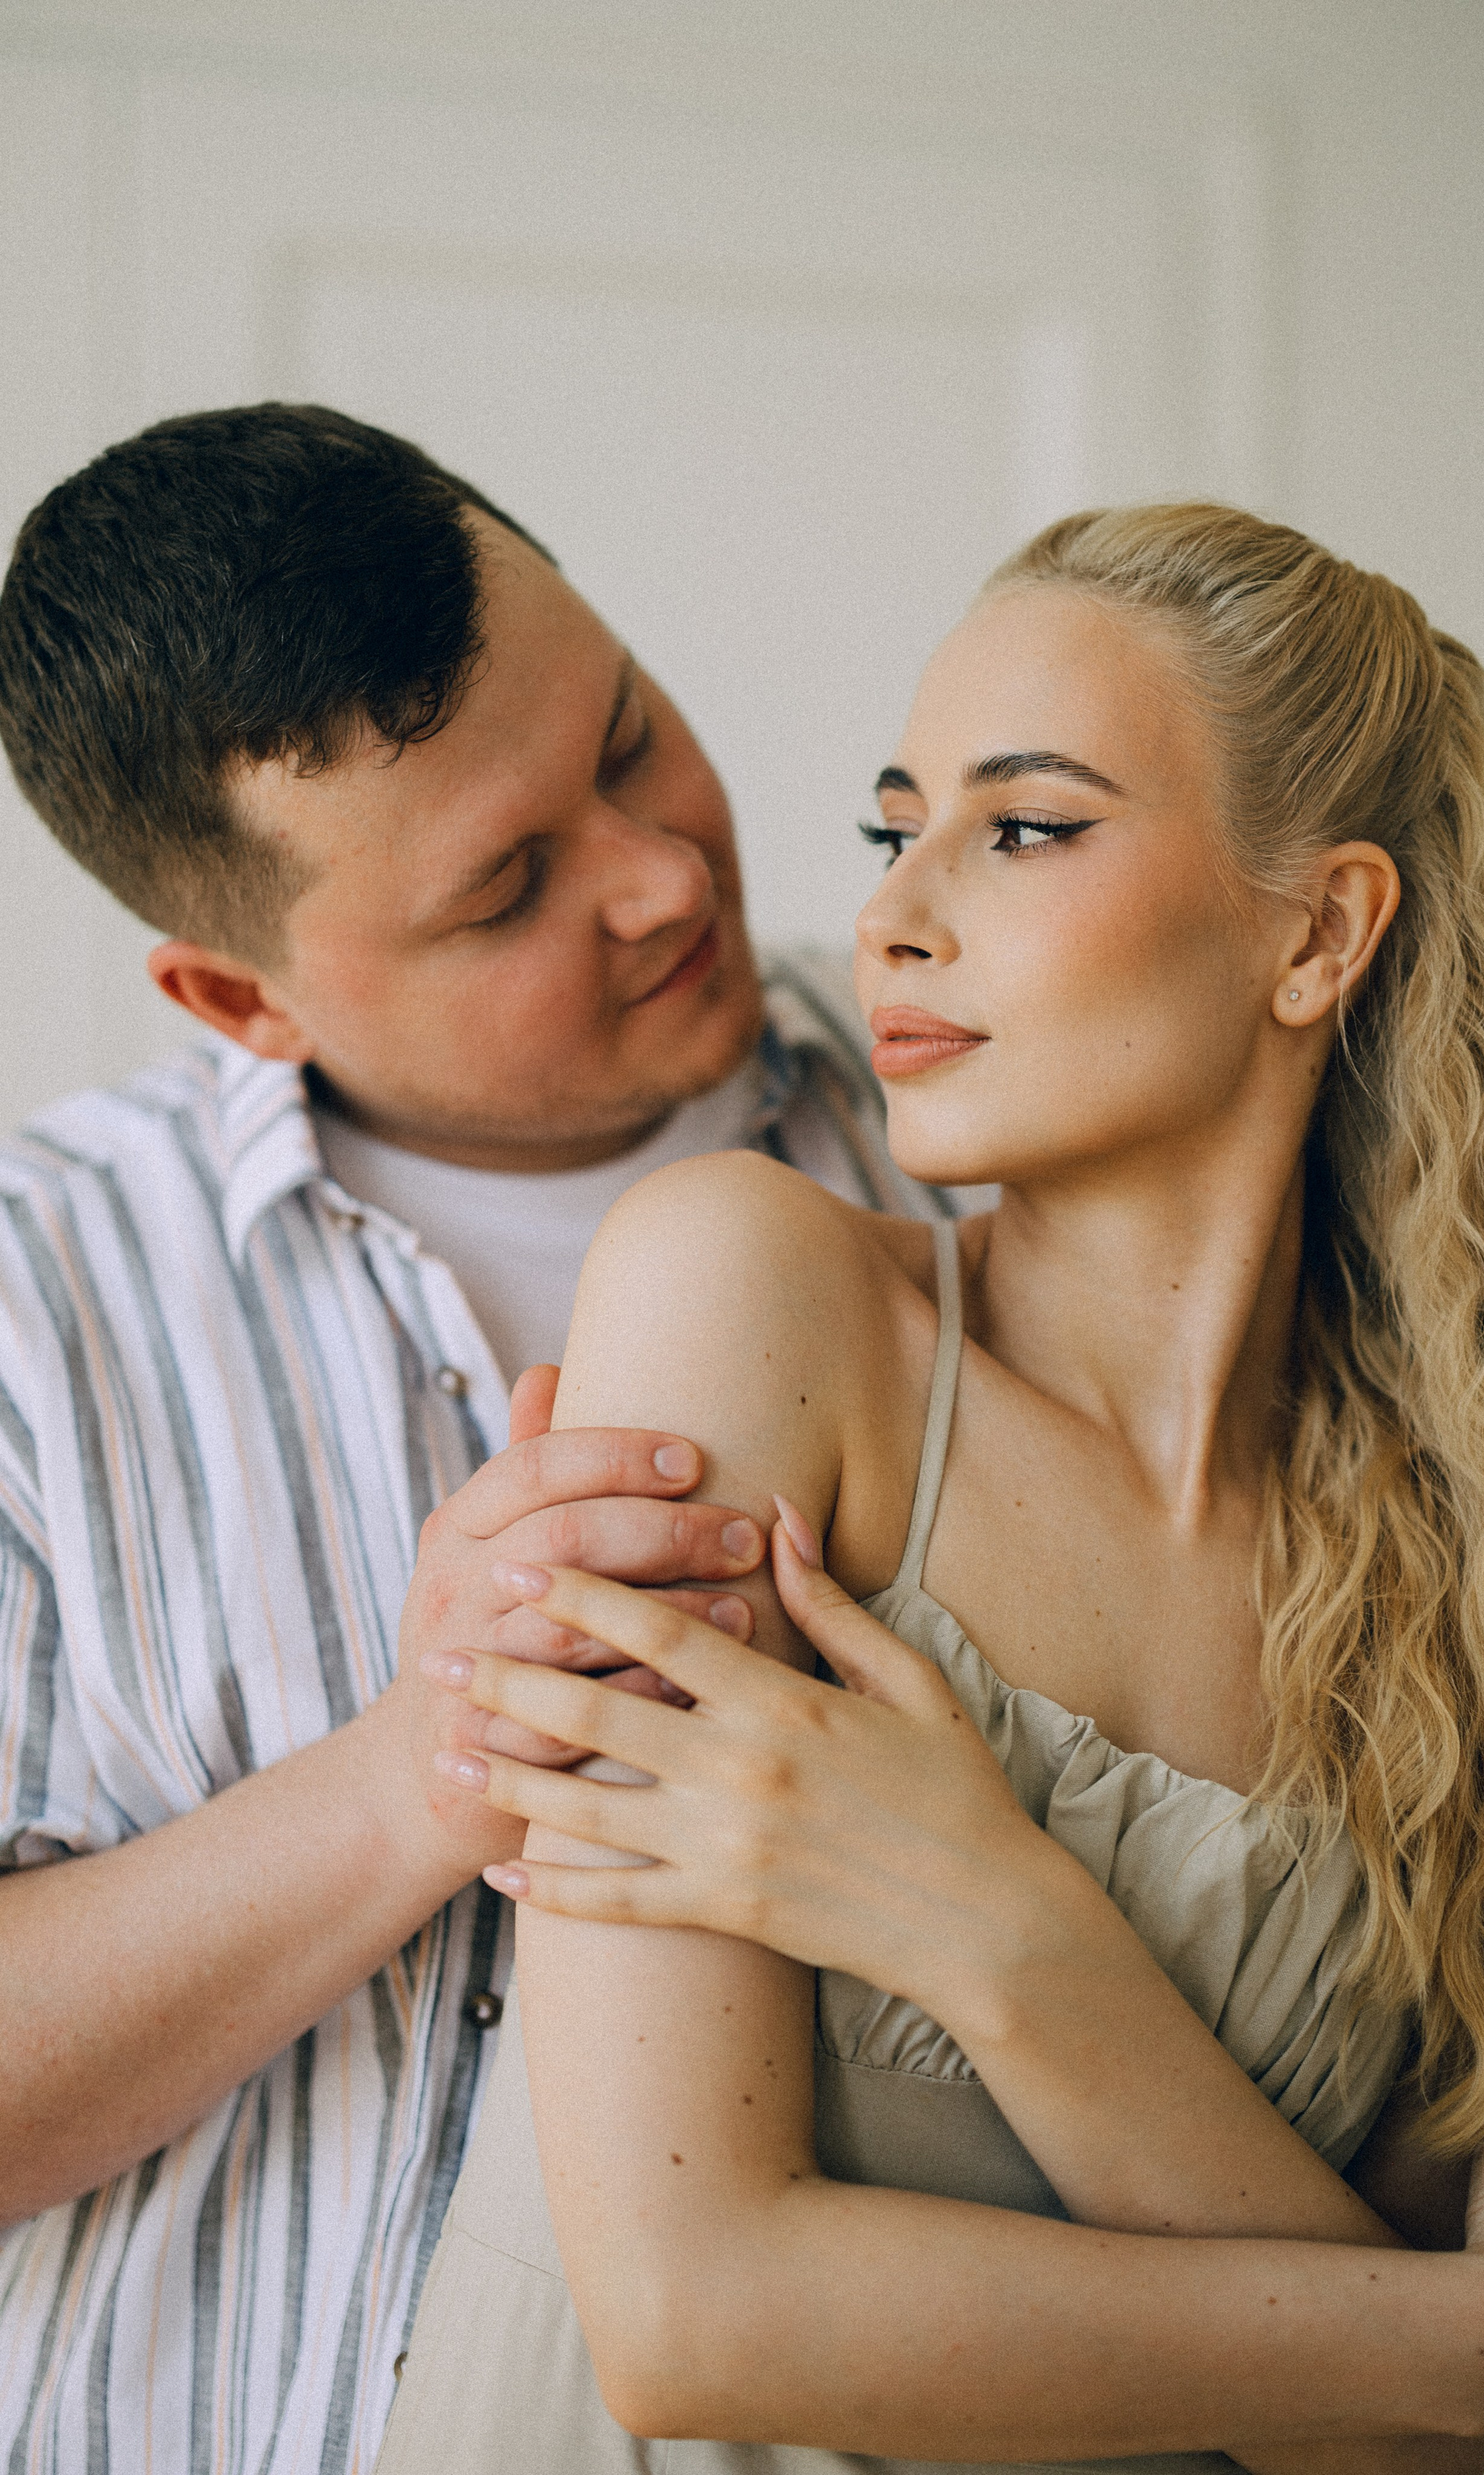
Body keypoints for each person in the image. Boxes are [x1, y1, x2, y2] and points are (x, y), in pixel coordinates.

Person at [380, 504, 1484, 2472]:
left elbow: (1395, 2447)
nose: (891, 913)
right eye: (901, 828)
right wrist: (1462, 2335)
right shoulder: (753, 1294)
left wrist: (993, 1928)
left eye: (1026, 826)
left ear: (1319, 931)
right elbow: (690, 2319)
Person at [0, 403, 957, 2475]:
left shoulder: (1004, 1136)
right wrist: (423, 1768)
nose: (661, 874)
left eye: (624, 735)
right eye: (507, 885)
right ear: (236, 998)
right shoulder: (27, 1307)